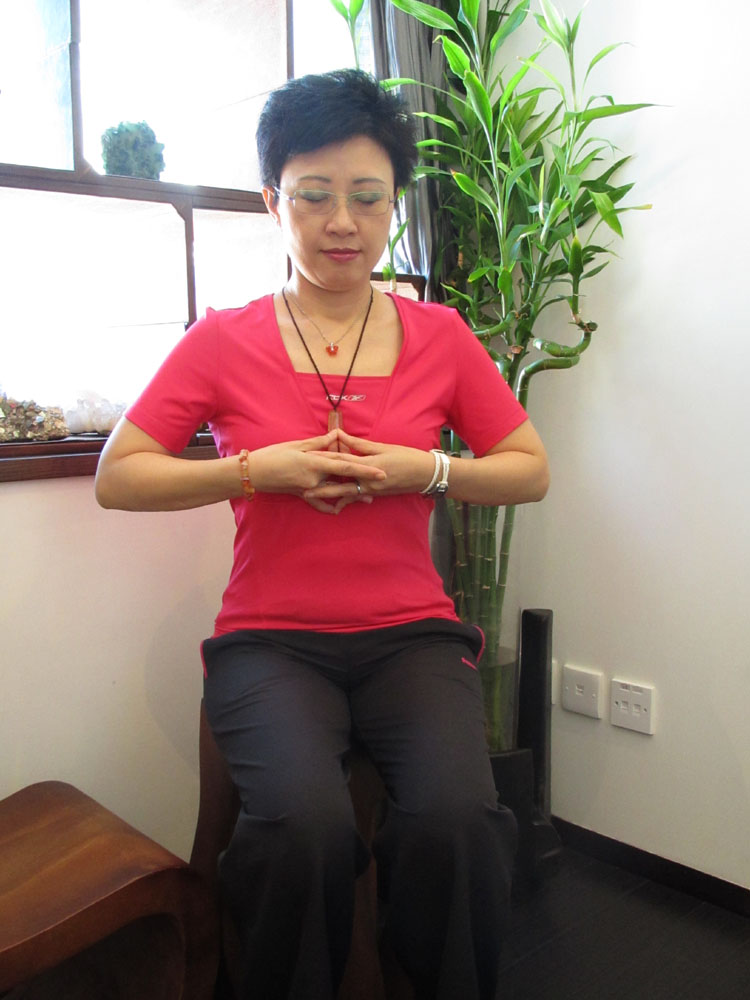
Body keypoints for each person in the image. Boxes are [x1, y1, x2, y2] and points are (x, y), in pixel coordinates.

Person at [95, 68, 549, 1000]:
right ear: (274, 203)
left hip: (411, 638)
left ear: (394, 206)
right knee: (299, 830)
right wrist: (256, 471)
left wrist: (426, 470)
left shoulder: (441, 335)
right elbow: (119, 475)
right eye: (313, 195)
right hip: (271, 642)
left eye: (368, 197)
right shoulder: (222, 339)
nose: (342, 221)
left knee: (460, 822)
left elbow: (528, 468)